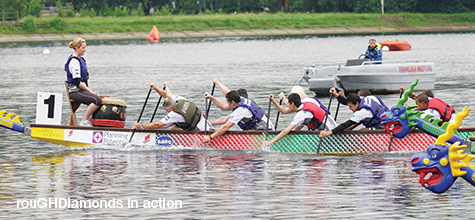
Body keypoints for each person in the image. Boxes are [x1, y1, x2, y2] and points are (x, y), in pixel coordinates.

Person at [134, 82, 214, 131]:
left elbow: (157, 124)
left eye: (167, 111)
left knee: (172, 128)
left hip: (200, 131)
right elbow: (166, 94)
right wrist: (155, 88)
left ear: (171, 108)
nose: (168, 112)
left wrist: (141, 127)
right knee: (171, 125)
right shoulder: (180, 99)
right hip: (207, 125)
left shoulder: (175, 114)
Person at [202, 90, 274, 143]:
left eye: (228, 103)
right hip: (265, 125)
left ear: (233, 102)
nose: (227, 105)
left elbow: (225, 127)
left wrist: (210, 137)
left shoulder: (240, 110)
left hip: (266, 130)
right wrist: (208, 123)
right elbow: (225, 119)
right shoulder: (241, 99)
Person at [266, 93, 335, 146]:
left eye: (288, 104)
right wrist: (273, 101)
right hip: (328, 128)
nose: (288, 106)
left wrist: (270, 142)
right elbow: (295, 129)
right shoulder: (305, 104)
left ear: (292, 104)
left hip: (328, 132)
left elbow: (285, 131)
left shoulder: (301, 114)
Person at [65, 37, 102, 126]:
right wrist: (90, 91)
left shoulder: (80, 59)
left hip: (80, 90)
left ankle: (90, 122)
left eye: (85, 48)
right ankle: (84, 121)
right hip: (75, 91)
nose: (84, 50)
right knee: (97, 101)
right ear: (77, 48)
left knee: (102, 101)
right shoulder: (74, 61)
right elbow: (77, 81)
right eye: (83, 48)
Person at [319, 93, 388, 138]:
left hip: (383, 127)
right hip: (389, 119)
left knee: (362, 131)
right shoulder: (370, 98)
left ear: (357, 103)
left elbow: (346, 124)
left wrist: (330, 132)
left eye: (351, 107)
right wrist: (337, 96)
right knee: (352, 125)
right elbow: (346, 101)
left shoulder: (362, 112)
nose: (349, 109)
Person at [270, 85, 336, 130]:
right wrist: (273, 101)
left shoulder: (309, 101)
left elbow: (289, 105)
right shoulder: (301, 107)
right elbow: (283, 111)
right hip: (318, 126)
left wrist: (283, 98)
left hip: (326, 124)